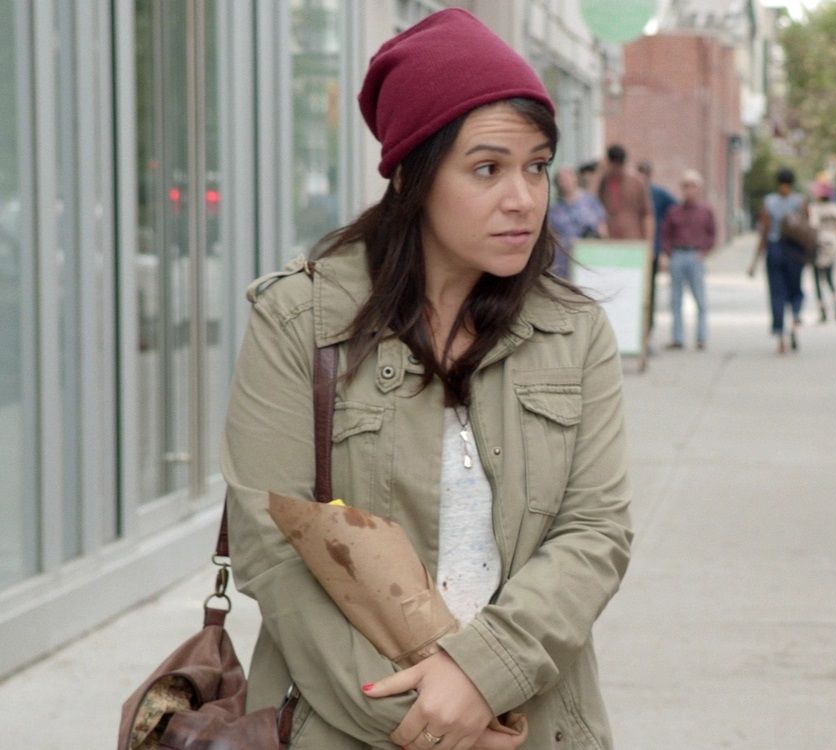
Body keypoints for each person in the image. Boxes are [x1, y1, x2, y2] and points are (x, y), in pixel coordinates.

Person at [222, 9, 632, 749]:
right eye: (487, 168)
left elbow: (594, 534)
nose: (523, 198)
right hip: (346, 725)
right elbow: (270, 550)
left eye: (536, 166)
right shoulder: (299, 322)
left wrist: (482, 679)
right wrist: (421, 722)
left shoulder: (573, 334)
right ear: (411, 173)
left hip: (534, 724)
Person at [748, 168, 808, 354]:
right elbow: (806, 230)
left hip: (775, 249)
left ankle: (781, 338)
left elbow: (764, 232)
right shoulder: (800, 202)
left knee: (777, 294)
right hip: (795, 252)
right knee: (795, 289)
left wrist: (754, 261)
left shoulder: (769, 202)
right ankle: (796, 315)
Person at [659, 169, 716, 350]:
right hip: (677, 255)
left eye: (692, 186)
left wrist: (704, 251)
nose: (688, 190)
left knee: (700, 299)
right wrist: (668, 253)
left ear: (699, 188)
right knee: (675, 300)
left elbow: (712, 233)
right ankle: (678, 338)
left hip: (695, 256)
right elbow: (665, 233)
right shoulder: (674, 211)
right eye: (685, 186)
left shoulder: (706, 210)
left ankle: (701, 337)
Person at [637, 160, 677, 346]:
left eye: (644, 173)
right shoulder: (633, 192)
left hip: (652, 250)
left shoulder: (658, 194)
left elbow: (676, 210)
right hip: (633, 251)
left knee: (649, 294)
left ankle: (648, 334)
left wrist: (665, 245)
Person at [547, 165, 608, 279]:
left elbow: (602, 228)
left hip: (590, 255)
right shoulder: (555, 209)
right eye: (562, 179)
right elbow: (552, 237)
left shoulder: (590, 201)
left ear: (575, 178)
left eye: (568, 177)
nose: (566, 182)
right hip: (565, 261)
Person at [808, 181, 836, 323]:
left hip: (819, 244)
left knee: (817, 279)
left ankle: (822, 311)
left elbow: (812, 228)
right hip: (833, 243)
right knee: (830, 278)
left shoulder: (814, 209)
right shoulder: (835, 209)